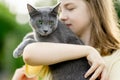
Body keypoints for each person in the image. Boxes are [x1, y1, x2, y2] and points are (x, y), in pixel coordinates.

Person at [12, 0, 120, 80]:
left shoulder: (115, 60)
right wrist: (88, 50)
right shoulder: (49, 57)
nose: (62, 16)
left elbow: (29, 52)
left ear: (94, 9)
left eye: (70, 8)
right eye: (60, 11)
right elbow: (29, 53)